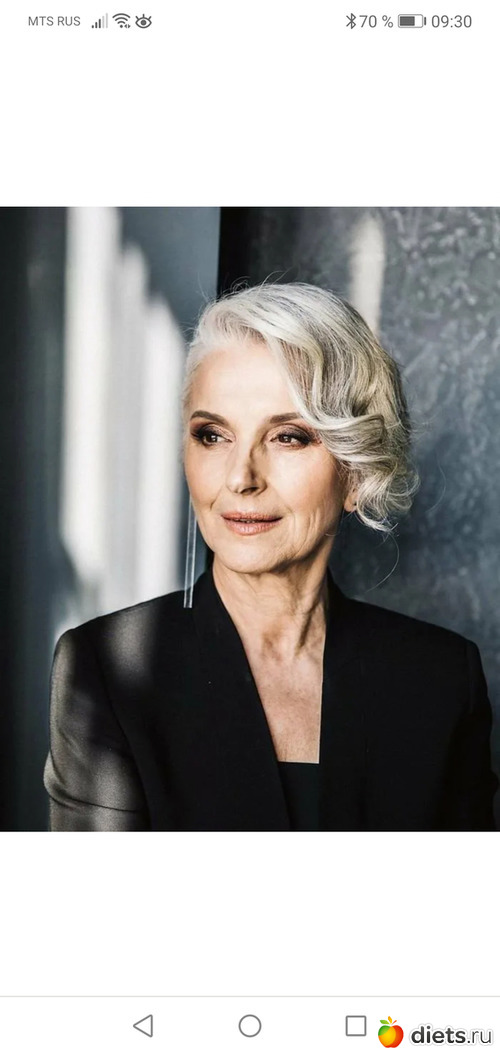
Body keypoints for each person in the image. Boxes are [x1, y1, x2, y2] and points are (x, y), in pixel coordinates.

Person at [43, 282, 498, 831]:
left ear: (356, 474)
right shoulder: (109, 668)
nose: (241, 478)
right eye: (213, 435)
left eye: (287, 437)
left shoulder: (440, 679)